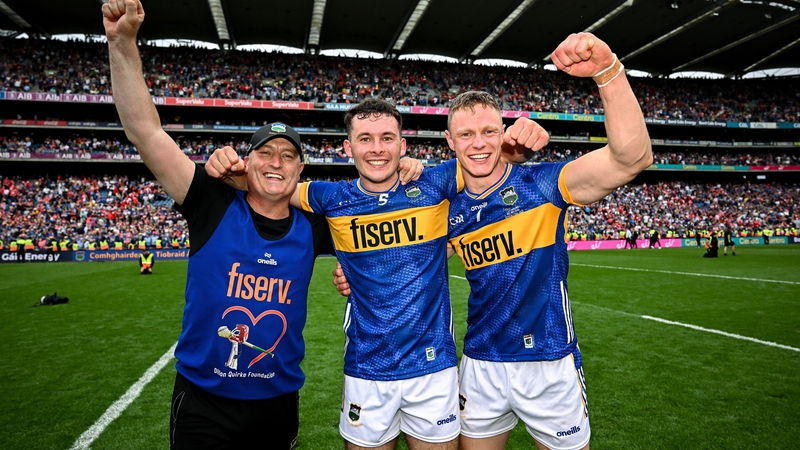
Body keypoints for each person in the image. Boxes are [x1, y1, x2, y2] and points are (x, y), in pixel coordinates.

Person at [206, 98, 548, 449]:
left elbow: (493, 158)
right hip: (366, 369)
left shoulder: (434, 183)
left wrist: (524, 138)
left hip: (433, 368)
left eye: (387, 138)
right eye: (365, 138)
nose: (377, 149)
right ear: (347, 147)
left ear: (402, 145)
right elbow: (272, 185)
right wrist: (231, 171)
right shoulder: (331, 197)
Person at [102, 1, 335, 448]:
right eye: (265, 153)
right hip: (204, 404)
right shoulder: (210, 202)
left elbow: (389, 237)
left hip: (278, 402)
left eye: (288, 156)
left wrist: (412, 171)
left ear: (300, 170)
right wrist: (122, 42)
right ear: (247, 162)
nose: (275, 163)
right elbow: (146, 133)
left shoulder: (316, 227)